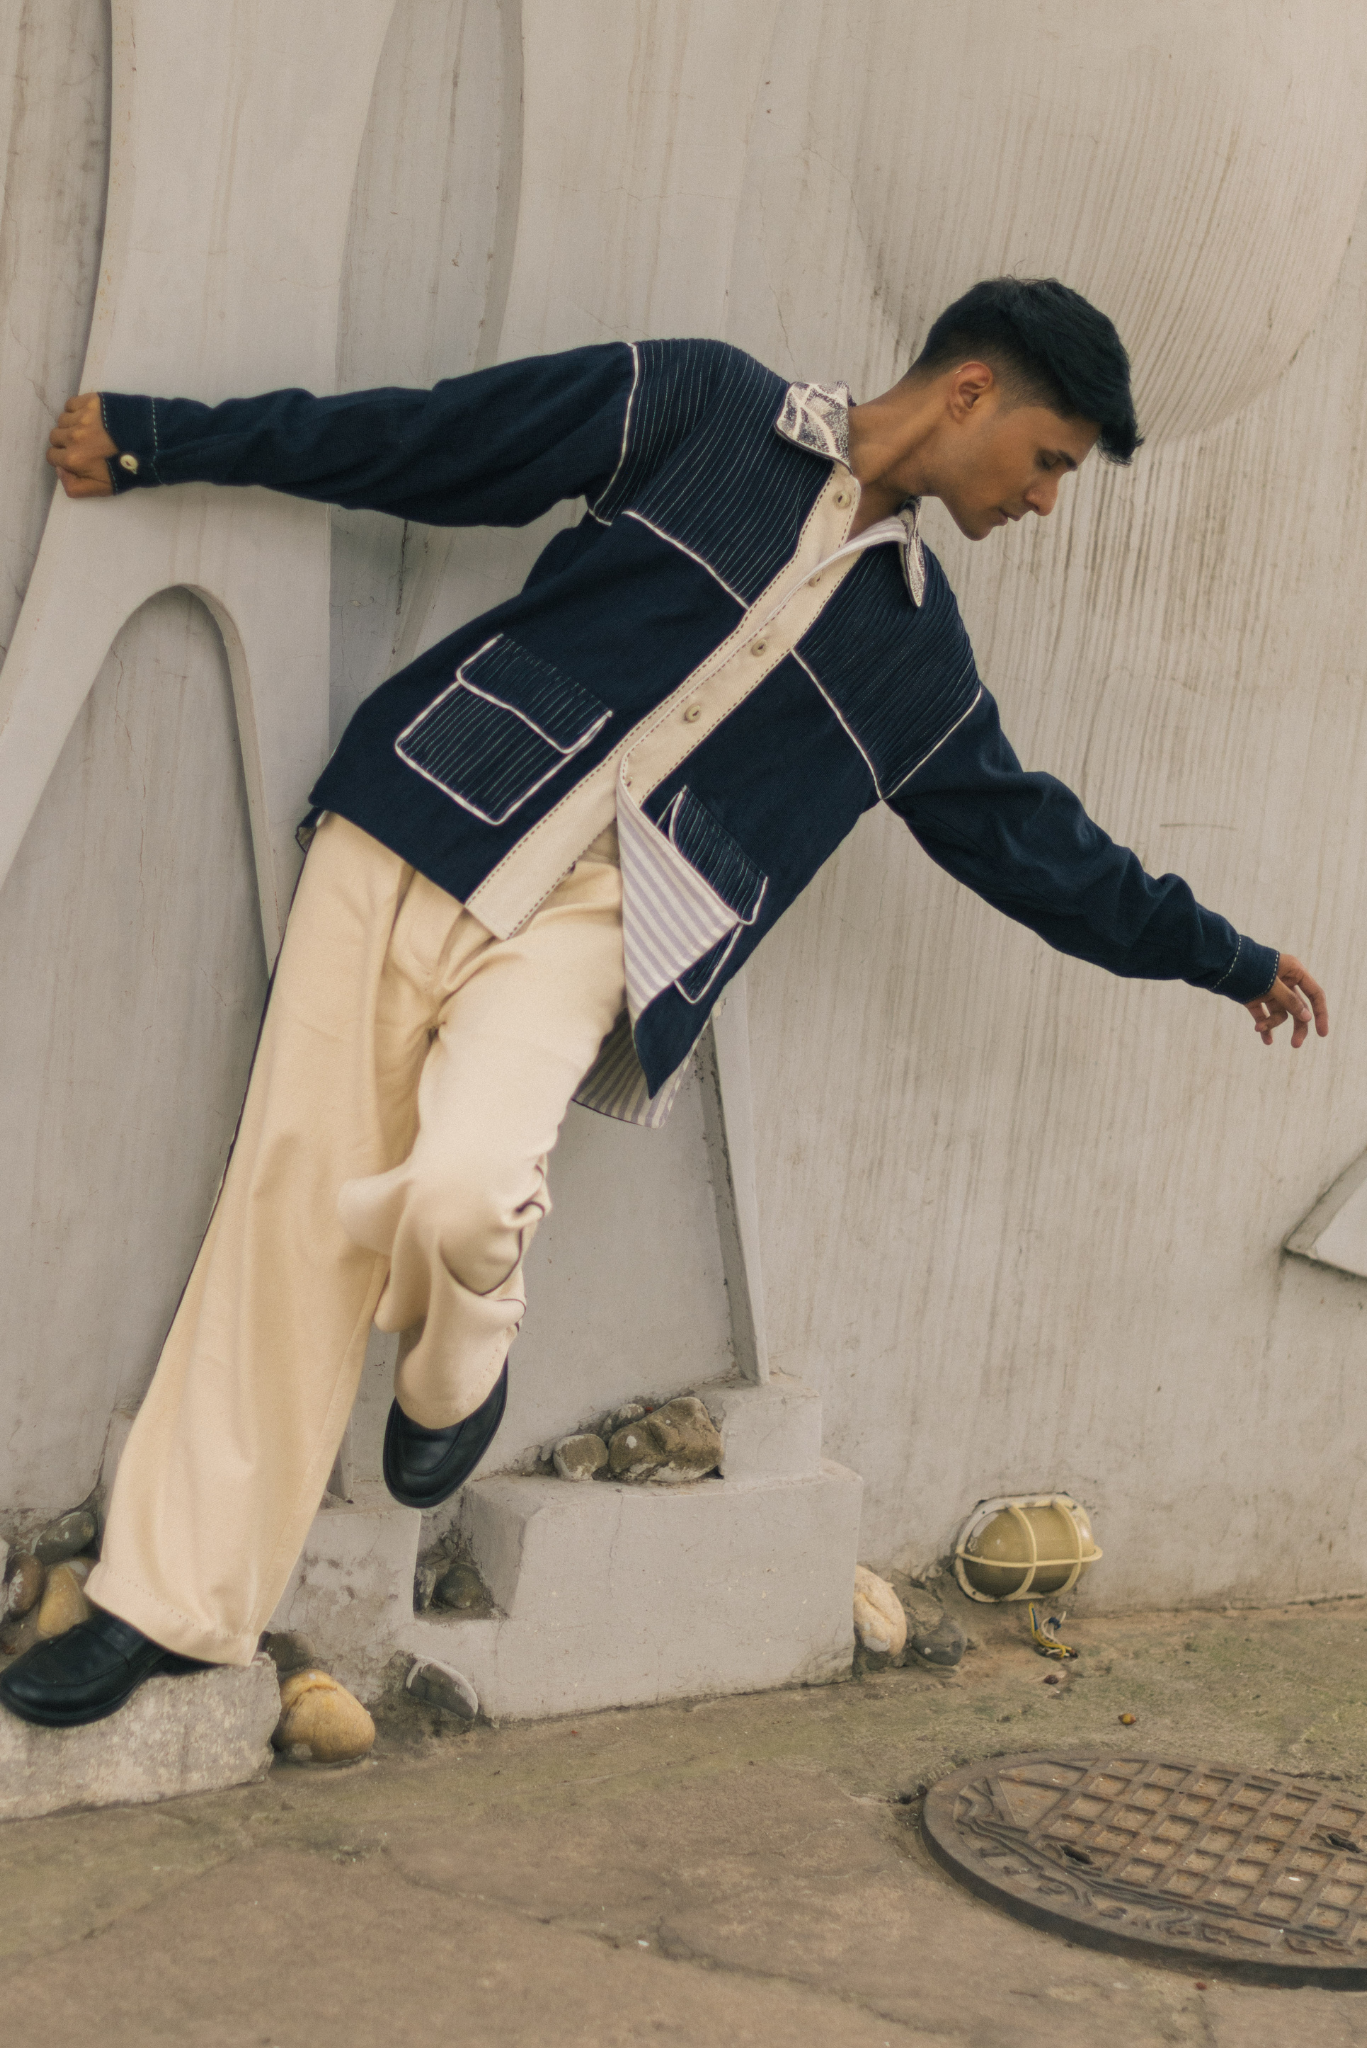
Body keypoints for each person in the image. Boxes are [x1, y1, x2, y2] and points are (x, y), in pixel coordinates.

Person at [0, 278, 1327, 1729]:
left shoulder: (911, 654)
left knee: (466, 1192)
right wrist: (167, 437)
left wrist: (1223, 957)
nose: (1044, 501)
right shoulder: (702, 405)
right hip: (421, 814)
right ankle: (167, 1606)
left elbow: (1031, 844)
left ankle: (454, 1379)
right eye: (1049, 460)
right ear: (969, 391)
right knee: (290, 1208)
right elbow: (441, 442)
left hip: (601, 925)